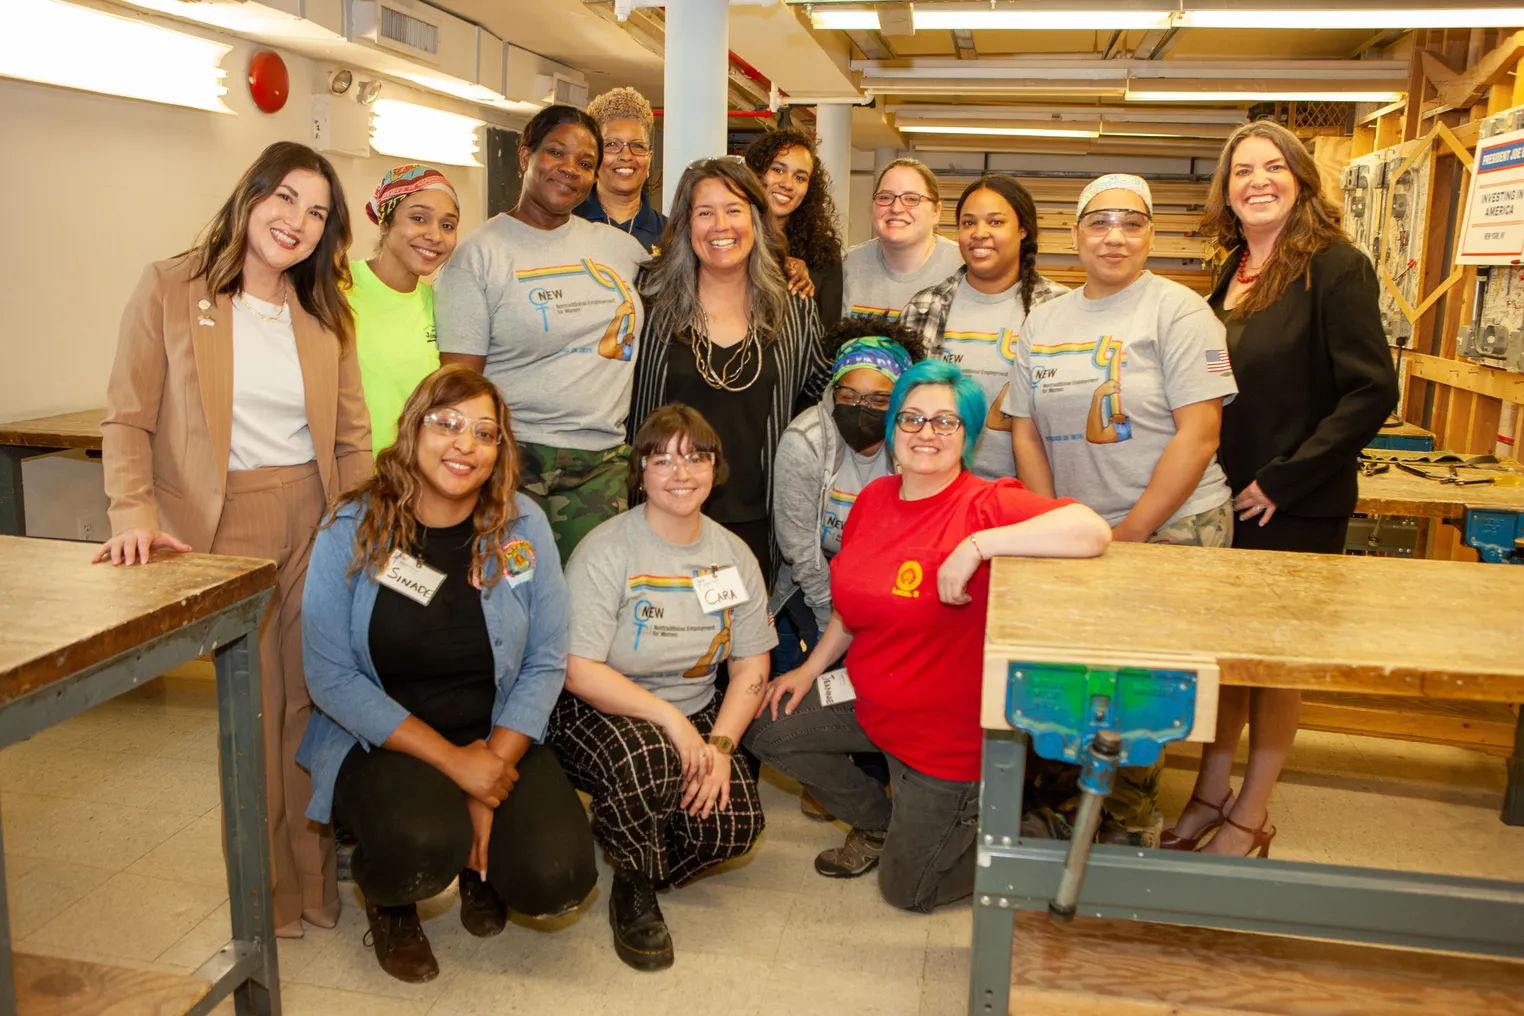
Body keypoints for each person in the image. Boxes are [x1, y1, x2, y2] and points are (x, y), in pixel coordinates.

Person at [98, 141, 371, 938]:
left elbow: (352, 439)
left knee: (309, 709)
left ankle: (317, 885)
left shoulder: (324, 311)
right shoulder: (172, 287)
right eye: (285, 198)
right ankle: (268, 896)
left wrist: (358, 534)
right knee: (253, 717)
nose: (298, 221)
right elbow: (128, 416)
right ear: (251, 197)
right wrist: (132, 515)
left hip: (314, 524)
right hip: (220, 530)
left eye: (317, 212)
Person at [746, 360, 1110, 912]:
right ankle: (882, 823)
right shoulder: (874, 499)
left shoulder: (985, 504)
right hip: (871, 702)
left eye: (945, 421)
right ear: (893, 430)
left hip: (944, 741)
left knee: (908, 892)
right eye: (912, 419)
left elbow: (1091, 529)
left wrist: (977, 547)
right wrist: (807, 669)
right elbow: (851, 608)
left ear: (966, 436)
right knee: (766, 725)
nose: (926, 433)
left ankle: (1032, 830)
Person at [298, 365, 595, 982]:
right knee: (418, 845)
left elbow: (544, 658)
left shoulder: (523, 526)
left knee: (558, 876)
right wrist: (459, 767)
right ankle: (392, 900)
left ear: (499, 452)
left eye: (486, 434)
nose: (466, 444)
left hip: (497, 735)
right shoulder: (351, 527)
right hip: (385, 741)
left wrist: (490, 769)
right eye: (448, 424)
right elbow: (328, 675)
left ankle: (475, 862)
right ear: (413, 429)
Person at [1162, 122, 1398, 858]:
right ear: (1226, 190)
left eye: (1272, 167)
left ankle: (1249, 815)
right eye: (1242, 171)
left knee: (1275, 667)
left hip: (1293, 501)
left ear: (1300, 179)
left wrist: (1285, 478)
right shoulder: (1231, 268)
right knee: (1230, 660)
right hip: (1228, 496)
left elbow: (1369, 391)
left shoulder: (1335, 268)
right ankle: (1209, 791)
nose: (1256, 180)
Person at [1005, 173, 1238, 845]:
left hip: (1173, 524)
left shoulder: (1180, 312)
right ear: (1075, 235)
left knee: (1139, 681)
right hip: (1078, 527)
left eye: (1131, 222)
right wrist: (1055, 522)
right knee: (1069, 668)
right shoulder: (1044, 319)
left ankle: (1125, 821)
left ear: (1150, 236)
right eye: (1099, 222)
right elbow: (1024, 426)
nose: (1115, 235)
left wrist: (1132, 532)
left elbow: (1201, 434)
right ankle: (1063, 808)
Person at [548, 404, 774, 970]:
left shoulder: (732, 556)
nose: (682, 472)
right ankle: (634, 884)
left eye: (697, 457)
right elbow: (578, 669)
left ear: (715, 469)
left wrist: (719, 747)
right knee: (653, 758)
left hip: (697, 710)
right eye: (663, 458)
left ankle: (636, 824)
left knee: (735, 825)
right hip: (599, 710)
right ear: (640, 470)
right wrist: (673, 724)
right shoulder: (607, 550)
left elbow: (751, 666)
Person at [436, 104, 646, 562]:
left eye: (585, 163)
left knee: (593, 612)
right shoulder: (480, 255)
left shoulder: (618, 248)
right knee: (512, 601)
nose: (569, 169)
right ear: (525, 154)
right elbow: (459, 387)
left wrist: (788, 263)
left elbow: (705, 269)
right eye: (556, 152)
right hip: (514, 462)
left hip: (602, 464)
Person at [630, 158, 829, 577]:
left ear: (756, 220)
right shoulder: (649, 301)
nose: (721, 225)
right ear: (686, 224)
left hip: (757, 523)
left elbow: (819, 397)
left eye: (734, 210)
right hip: (662, 514)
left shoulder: (793, 305)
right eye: (705, 212)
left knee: (744, 639)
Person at [770, 316, 925, 674]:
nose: (860, 408)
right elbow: (799, 548)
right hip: (812, 590)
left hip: (889, 595)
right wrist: (831, 622)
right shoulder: (806, 438)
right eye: (849, 396)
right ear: (834, 392)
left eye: (879, 399)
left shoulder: (919, 443)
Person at [900, 175, 1068, 481]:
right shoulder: (925, 307)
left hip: (1030, 494)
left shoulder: (1059, 310)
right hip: (941, 493)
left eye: (995, 222)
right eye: (968, 223)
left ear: (1022, 230)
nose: (979, 233)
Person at [350, 164, 459, 453]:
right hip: (349, 478)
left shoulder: (443, 306)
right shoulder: (336, 289)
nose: (435, 235)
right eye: (419, 218)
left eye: (447, 225)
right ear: (385, 223)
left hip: (414, 479)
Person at [745, 128, 845, 330]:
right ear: (756, 172)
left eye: (800, 178)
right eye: (778, 170)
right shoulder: (731, 238)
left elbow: (827, 332)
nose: (788, 184)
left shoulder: (823, 253)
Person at [841, 158, 963, 323]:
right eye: (885, 197)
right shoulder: (847, 267)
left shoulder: (964, 268)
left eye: (912, 199)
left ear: (936, 211)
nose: (896, 208)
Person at [575, 87, 668, 253]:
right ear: (594, 155)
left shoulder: (670, 235)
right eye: (612, 145)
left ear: (649, 157)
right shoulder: (567, 223)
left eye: (638, 146)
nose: (626, 155)